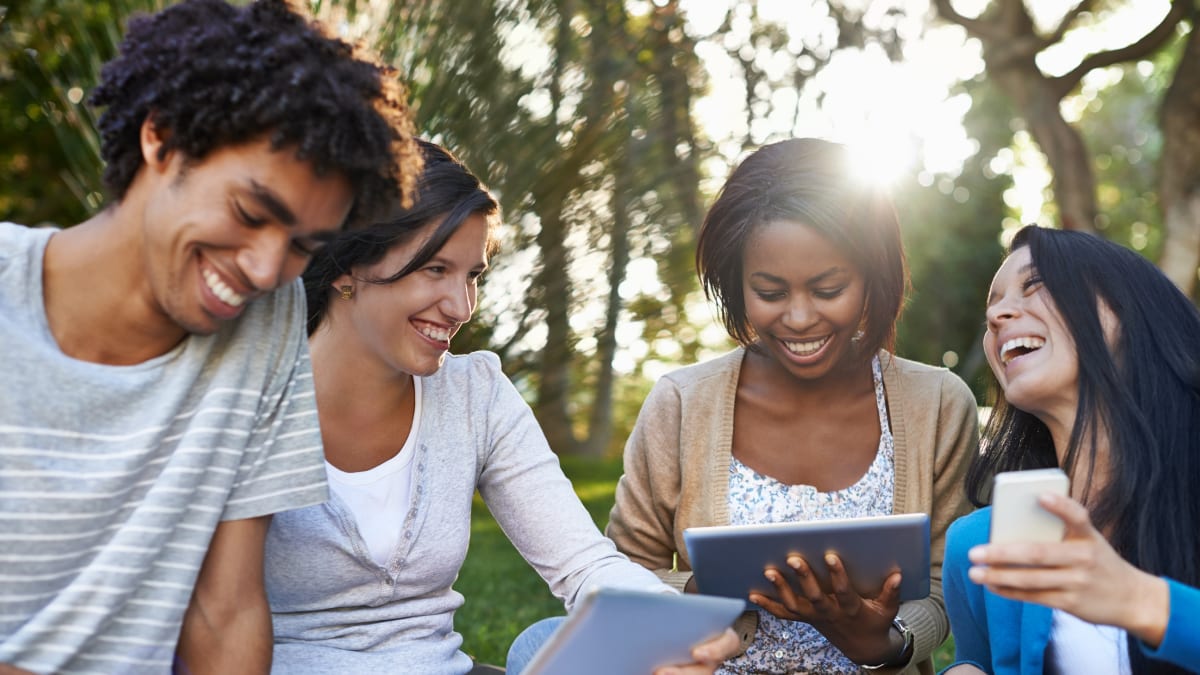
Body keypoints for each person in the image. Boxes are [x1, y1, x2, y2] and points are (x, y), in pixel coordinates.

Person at [0, 1, 418, 672]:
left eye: (304, 246)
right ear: (161, 138)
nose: (263, 269)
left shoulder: (267, 316)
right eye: (250, 212)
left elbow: (225, 609)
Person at [263, 140, 738, 675]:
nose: (460, 307)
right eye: (435, 269)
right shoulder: (253, 401)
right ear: (347, 265)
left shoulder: (474, 394)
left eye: (473, 276)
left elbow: (583, 563)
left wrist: (674, 628)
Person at [606, 137, 980, 674]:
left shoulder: (938, 404)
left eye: (828, 288)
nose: (800, 318)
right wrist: (699, 589)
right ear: (736, 284)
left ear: (872, 277)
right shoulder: (682, 403)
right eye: (771, 292)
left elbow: (945, 582)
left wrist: (880, 641)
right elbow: (619, 572)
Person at [942, 225, 1200, 674]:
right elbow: (978, 660)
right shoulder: (980, 546)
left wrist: (1139, 601)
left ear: (1128, 310)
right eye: (993, 303)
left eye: (1035, 284)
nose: (998, 314)